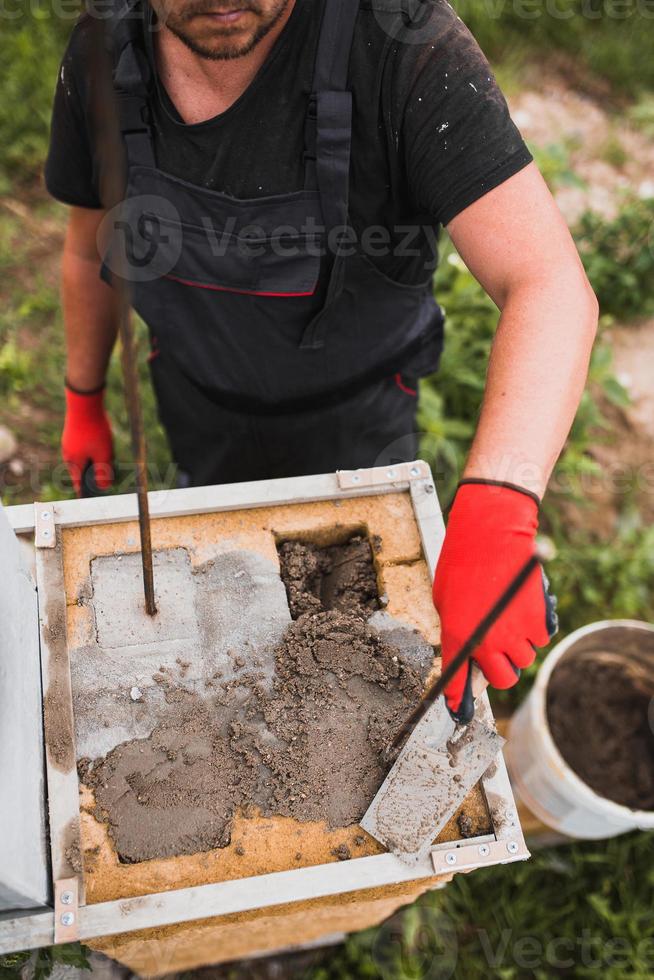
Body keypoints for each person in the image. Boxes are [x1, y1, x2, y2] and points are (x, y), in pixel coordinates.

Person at [46, 0, 598, 719]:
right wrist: (82, 397)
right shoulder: (101, 50)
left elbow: (549, 284)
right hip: (197, 396)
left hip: (357, 418)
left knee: (351, 662)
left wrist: (500, 506)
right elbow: (88, 249)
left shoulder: (403, 44)